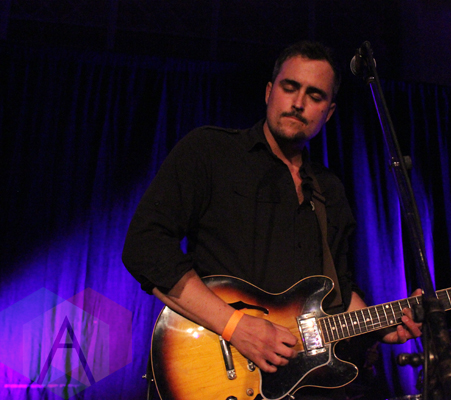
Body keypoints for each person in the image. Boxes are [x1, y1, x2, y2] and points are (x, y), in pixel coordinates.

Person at [122, 40, 421, 399]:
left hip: (305, 389)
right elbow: (145, 246)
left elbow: (338, 293)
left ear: (329, 112)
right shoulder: (211, 152)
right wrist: (235, 326)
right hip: (217, 374)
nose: (298, 103)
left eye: (314, 95)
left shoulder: (329, 190)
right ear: (269, 92)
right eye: (289, 87)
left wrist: (381, 325)